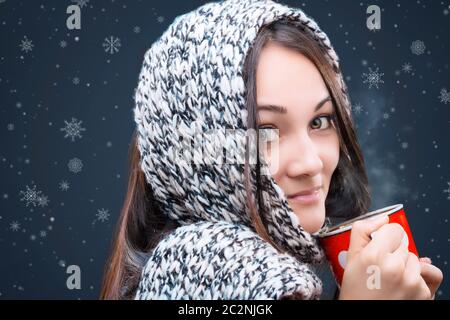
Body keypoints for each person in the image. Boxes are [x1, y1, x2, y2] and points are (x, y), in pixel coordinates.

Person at [100, 0, 442, 300]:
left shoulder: (265, 271)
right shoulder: (204, 267)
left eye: (321, 121)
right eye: (266, 132)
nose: (310, 163)